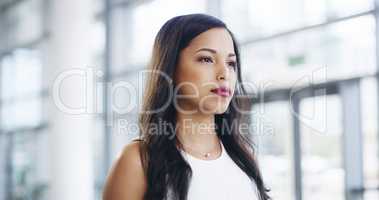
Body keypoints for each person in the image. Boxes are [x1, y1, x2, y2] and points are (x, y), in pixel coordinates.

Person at [103, 13, 271, 200]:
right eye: (206, 59)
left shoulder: (244, 160)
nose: (225, 74)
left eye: (231, 63)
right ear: (170, 67)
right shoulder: (138, 162)